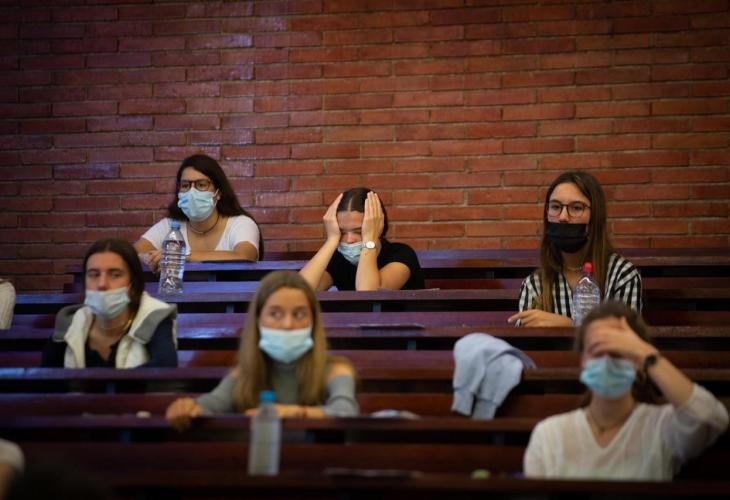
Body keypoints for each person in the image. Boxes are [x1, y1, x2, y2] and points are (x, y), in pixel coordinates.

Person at [523, 301, 728, 480]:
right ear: (582, 360)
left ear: (639, 363)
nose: (607, 360)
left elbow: (710, 418)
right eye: (597, 350)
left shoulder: (662, 428)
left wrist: (645, 353)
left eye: (619, 352)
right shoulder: (549, 436)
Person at [165, 270, 358, 431]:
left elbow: (346, 412)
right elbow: (212, 404)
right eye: (275, 314)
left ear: (313, 321)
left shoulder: (335, 370)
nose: (288, 324)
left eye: (299, 314)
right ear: (258, 320)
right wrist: (187, 407)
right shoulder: (244, 373)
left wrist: (295, 413)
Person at [508, 171, 642, 327]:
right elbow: (525, 341)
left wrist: (568, 325)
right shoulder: (534, 285)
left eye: (576, 208)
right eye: (555, 207)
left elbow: (626, 338)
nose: (563, 217)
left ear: (595, 217)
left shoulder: (622, 275)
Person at [41, 238, 177, 368]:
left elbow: (164, 369)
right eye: (94, 275)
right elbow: (45, 378)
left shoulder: (154, 316)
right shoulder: (70, 322)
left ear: (133, 283)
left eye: (115, 275)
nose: (102, 284)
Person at [134, 154, 262, 272]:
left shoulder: (240, 224)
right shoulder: (170, 225)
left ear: (218, 193)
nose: (192, 193)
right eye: (185, 185)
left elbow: (245, 256)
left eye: (201, 185)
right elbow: (133, 254)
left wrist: (181, 256)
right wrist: (149, 258)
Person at [299, 187, 424, 291]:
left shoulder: (401, 254)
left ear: (378, 226)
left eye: (359, 232)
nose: (349, 240)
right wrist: (331, 240)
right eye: (341, 232)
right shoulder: (339, 259)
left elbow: (368, 294)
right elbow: (300, 291)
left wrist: (369, 239)